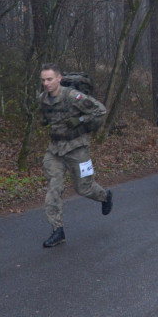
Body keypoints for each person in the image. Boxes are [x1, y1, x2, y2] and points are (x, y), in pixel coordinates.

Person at [38, 63, 113, 248]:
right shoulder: (43, 99)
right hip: (55, 150)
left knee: (84, 188)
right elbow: (46, 117)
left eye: (49, 79)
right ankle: (58, 230)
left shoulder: (72, 96)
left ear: (59, 78)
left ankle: (104, 196)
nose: (46, 83)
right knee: (54, 188)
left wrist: (80, 119)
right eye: (43, 80)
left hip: (77, 148)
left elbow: (100, 110)